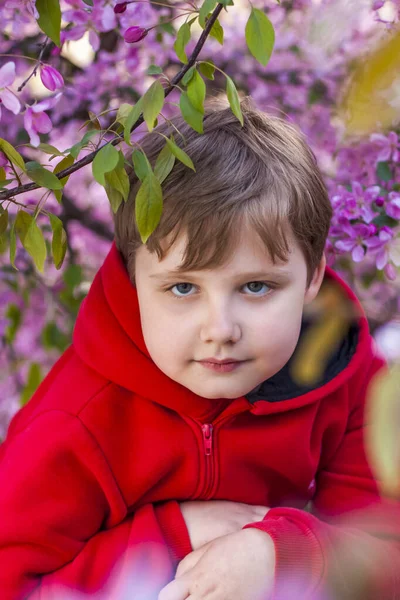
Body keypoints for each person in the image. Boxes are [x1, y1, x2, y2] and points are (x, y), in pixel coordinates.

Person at [1, 96, 399, 600]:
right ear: (133, 277)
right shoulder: (77, 419)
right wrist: (173, 535)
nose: (221, 329)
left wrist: (281, 553)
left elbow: (386, 550)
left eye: (256, 286)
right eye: (183, 288)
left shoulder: (349, 378)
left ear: (313, 276)